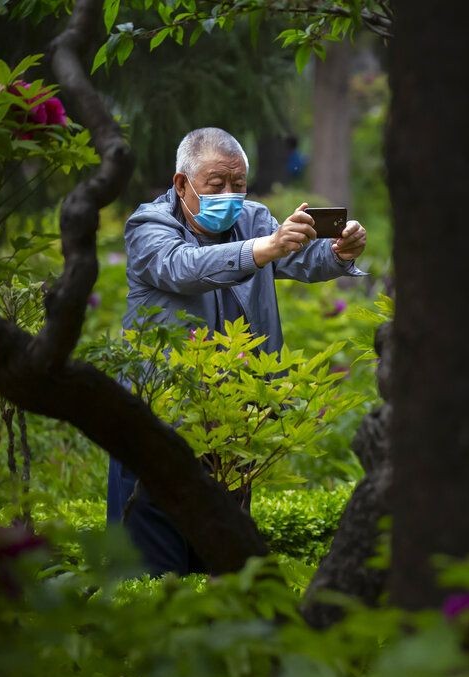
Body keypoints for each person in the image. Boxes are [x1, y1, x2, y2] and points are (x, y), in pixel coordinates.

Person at [107, 127, 367, 575]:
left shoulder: (254, 218)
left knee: (224, 569)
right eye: (217, 184)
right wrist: (260, 249)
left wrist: (339, 253)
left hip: (233, 427)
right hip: (162, 425)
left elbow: (300, 259)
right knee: (151, 573)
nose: (230, 194)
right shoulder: (148, 227)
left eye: (238, 183)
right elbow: (181, 267)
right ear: (182, 184)